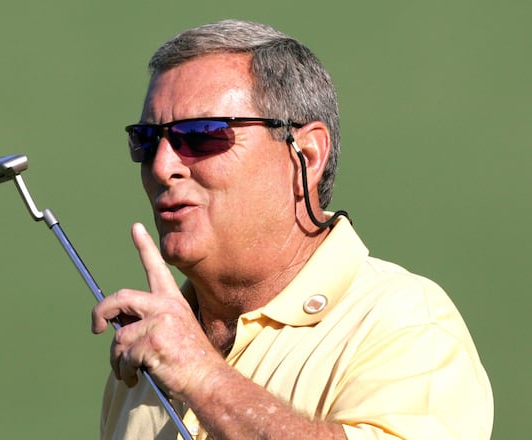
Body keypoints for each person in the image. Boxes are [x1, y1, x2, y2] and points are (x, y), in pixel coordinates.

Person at [91, 19, 493, 440]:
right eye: (148, 139)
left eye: (202, 135)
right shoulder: (153, 348)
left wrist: (203, 377)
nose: (161, 166)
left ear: (308, 153)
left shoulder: (406, 323)